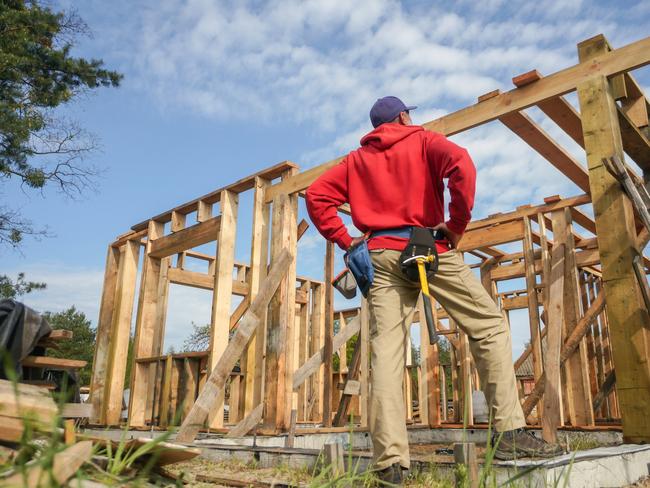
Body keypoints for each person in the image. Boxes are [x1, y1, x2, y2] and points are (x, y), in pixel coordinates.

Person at [305, 96, 563, 484]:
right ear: (404, 116)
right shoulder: (423, 140)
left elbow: (315, 196)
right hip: (428, 247)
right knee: (489, 325)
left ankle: (391, 465)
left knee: (387, 353)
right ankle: (509, 433)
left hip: (380, 255)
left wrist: (347, 242)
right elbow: (462, 164)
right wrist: (456, 223)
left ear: (376, 128)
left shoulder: (355, 162)